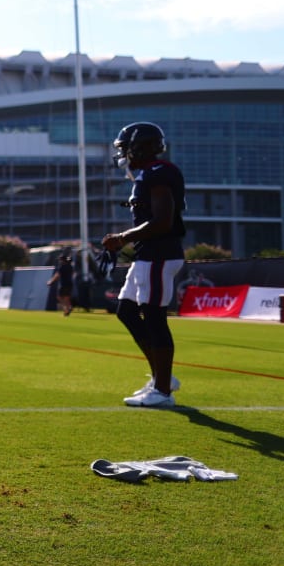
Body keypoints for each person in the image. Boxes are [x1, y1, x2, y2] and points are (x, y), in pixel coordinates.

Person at [102, 122, 186, 408]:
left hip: (159, 255)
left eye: (126, 148)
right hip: (146, 255)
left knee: (154, 319)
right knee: (126, 311)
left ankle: (162, 390)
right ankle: (162, 377)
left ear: (140, 146)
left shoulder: (158, 175)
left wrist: (122, 238)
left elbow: (163, 221)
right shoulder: (146, 175)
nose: (123, 154)